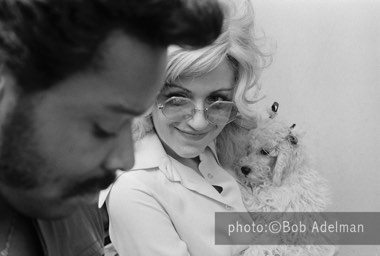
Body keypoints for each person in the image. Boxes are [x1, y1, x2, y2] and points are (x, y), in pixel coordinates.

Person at [0, 0, 224, 255]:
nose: (125, 159)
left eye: (219, 101)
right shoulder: (133, 188)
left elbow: (250, 232)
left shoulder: (72, 198)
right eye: (103, 127)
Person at [99, 0, 271, 255]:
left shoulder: (216, 146)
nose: (199, 122)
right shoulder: (134, 190)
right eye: (177, 99)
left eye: (216, 99)